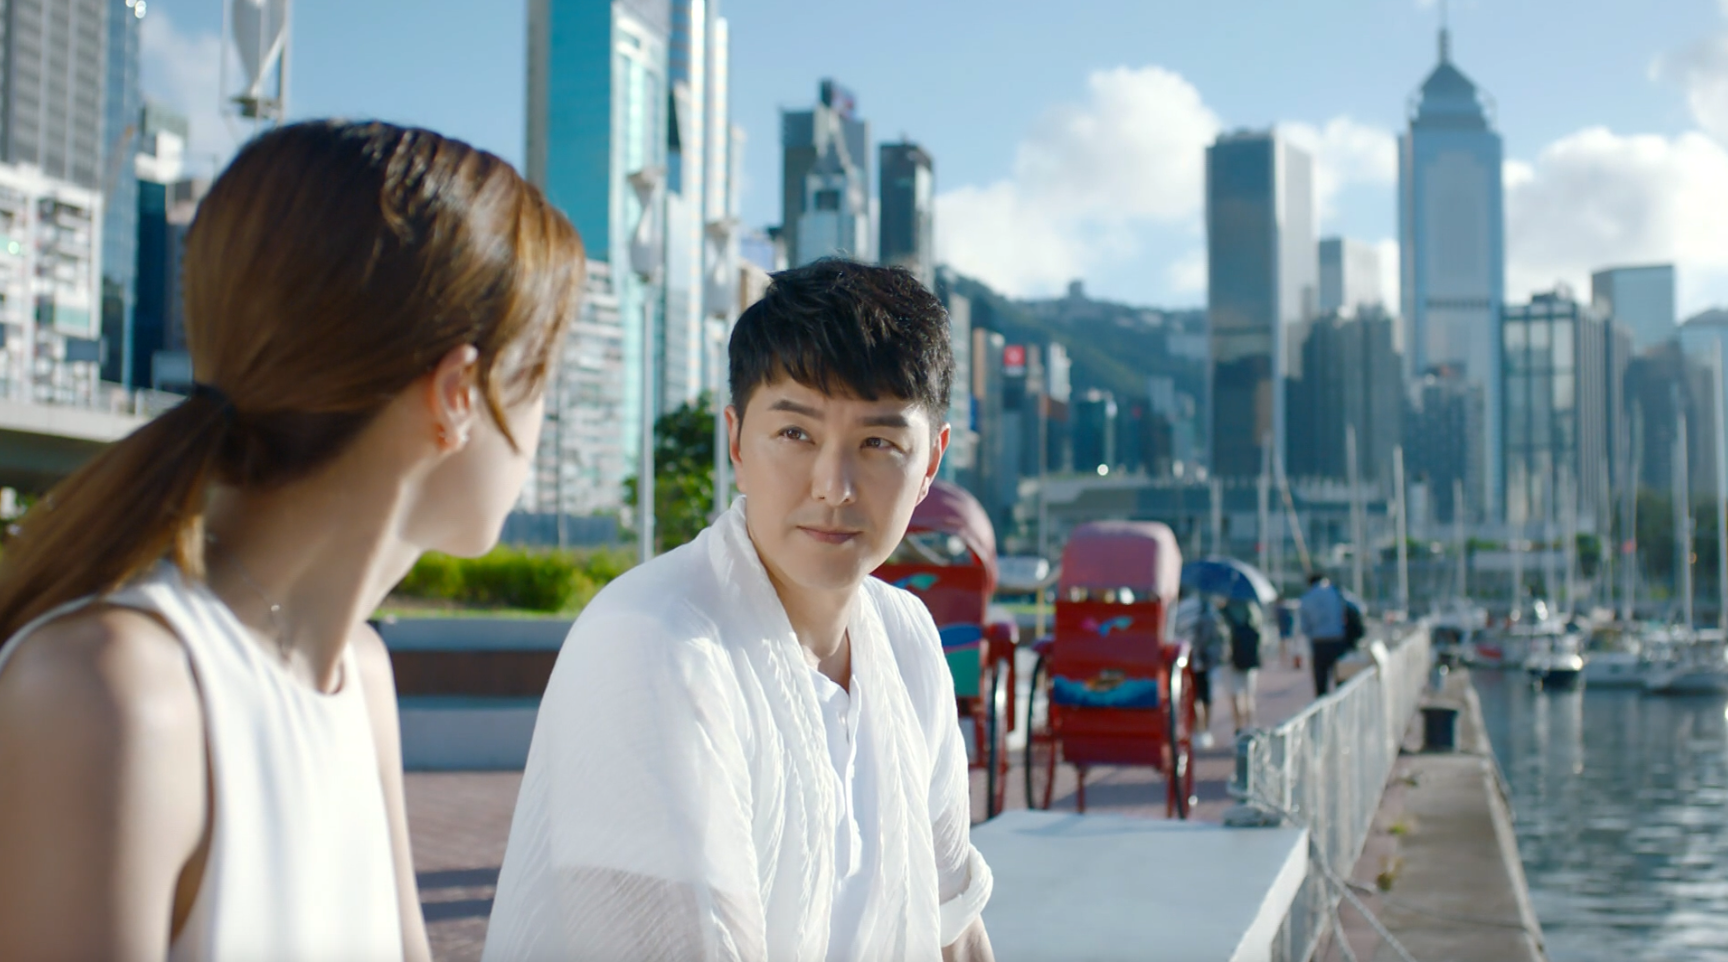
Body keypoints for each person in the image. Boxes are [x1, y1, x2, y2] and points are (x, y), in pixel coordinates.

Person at [0, 121, 584, 960]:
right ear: (460, 394)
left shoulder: (359, 677)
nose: (539, 431)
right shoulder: (117, 692)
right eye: (542, 382)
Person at [484, 260, 994, 962]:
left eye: (878, 443)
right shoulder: (654, 643)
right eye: (795, 434)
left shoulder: (906, 637)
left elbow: (952, 925)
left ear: (931, 461)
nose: (834, 486)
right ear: (736, 443)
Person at [1299, 572, 1349, 697]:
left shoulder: (1306, 597)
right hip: (1337, 640)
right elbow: (1356, 607)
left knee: (1321, 682)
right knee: (1341, 679)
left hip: (1319, 642)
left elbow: (1304, 626)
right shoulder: (1335, 592)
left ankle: (1322, 705)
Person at [1218, 598, 1263, 732]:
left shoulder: (1223, 611)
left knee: (1235, 695)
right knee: (1249, 694)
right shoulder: (1251, 608)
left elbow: (1220, 635)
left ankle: (1238, 726)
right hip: (1249, 658)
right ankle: (1251, 724)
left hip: (1231, 659)